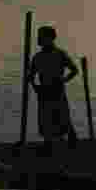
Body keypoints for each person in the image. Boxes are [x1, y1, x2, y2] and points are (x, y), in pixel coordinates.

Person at [27, 25, 79, 154]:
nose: (38, 39)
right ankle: (48, 145)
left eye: (41, 37)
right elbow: (31, 76)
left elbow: (74, 70)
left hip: (57, 90)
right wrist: (35, 87)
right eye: (38, 37)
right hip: (44, 91)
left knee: (63, 117)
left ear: (50, 38)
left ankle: (72, 143)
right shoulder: (37, 57)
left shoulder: (60, 54)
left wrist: (64, 80)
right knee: (45, 120)